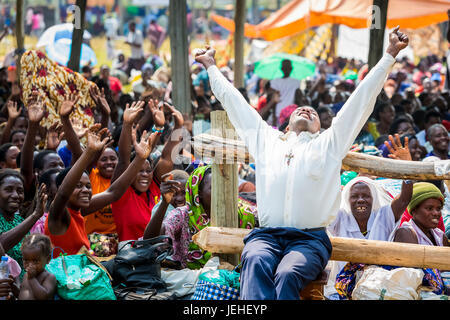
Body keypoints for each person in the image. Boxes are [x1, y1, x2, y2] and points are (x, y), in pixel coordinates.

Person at [194, 26, 409, 299]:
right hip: (267, 236)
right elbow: (234, 103)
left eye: (314, 113)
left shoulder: (328, 143)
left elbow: (361, 101)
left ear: (320, 127)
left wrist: (389, 54)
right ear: (285, 126)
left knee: (287, 273)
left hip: (309, 239)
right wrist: (212, 66)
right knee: (256, 261)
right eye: (300, 109)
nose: (307, 110)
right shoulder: (266, 139)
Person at [45, 124, 158, 255]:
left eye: (88, 186)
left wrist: (140, 158)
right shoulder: (58, 214)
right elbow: (64, 194)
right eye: (78, 186)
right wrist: (89, 152)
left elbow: (113, 192)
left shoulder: (80, 210)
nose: (86, 190)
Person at [142, 165, 256, 269]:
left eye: (223, 187)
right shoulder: (183, 215)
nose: (222, 192)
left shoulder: (243, 213)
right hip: (191, 282)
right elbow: (150, 240)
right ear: (199, 192)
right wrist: (164, 203)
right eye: (214, 188)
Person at [18, 234, 56, 300]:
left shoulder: (49, 277)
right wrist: (13, 288)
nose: (30, 265)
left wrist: (32, 279)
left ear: (48, 259)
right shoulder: (26, 275)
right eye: (26, 260)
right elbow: (23, 293)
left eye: (35, 261)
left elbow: (44, 297)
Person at [269, 59, 301, 126]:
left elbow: (298, 99)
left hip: (289, 113)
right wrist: (274, 116)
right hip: (282, 113)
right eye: (285, 67)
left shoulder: (275, 82)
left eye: (287, 67)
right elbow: (274, 100)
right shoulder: (296, 82)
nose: (286, 69)